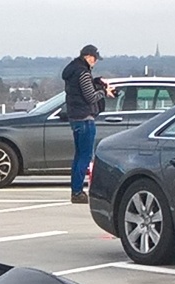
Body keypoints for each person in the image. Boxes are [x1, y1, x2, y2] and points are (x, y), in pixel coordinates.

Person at [61, 44, 113, 203]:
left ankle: (75, 190)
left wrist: (96, 81)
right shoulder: (83, 73)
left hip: (75, 117)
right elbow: (90, 97)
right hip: (85, 118)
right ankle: (77, 192)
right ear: (88, 56)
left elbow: (80, 90)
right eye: (95, 58)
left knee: (78, 156)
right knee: (85, 156)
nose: (95, 62)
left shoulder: (73, 71)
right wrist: (104, 92)